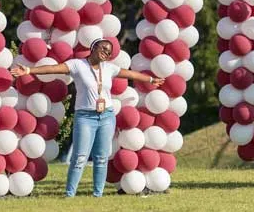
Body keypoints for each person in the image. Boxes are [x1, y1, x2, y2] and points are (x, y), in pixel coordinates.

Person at [11, 38, 164, 197]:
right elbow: (54, 68)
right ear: (93, 47)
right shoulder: (77, 65)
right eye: (103, 48)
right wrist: (29, 71)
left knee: (102, 158)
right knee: (79, 157)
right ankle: (70, 194)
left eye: (109, 51)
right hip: (85, 117)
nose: (106, 52)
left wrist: (151, 79)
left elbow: (130, 73)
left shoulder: (109, 68)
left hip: (107, 116)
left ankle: (97, 194)